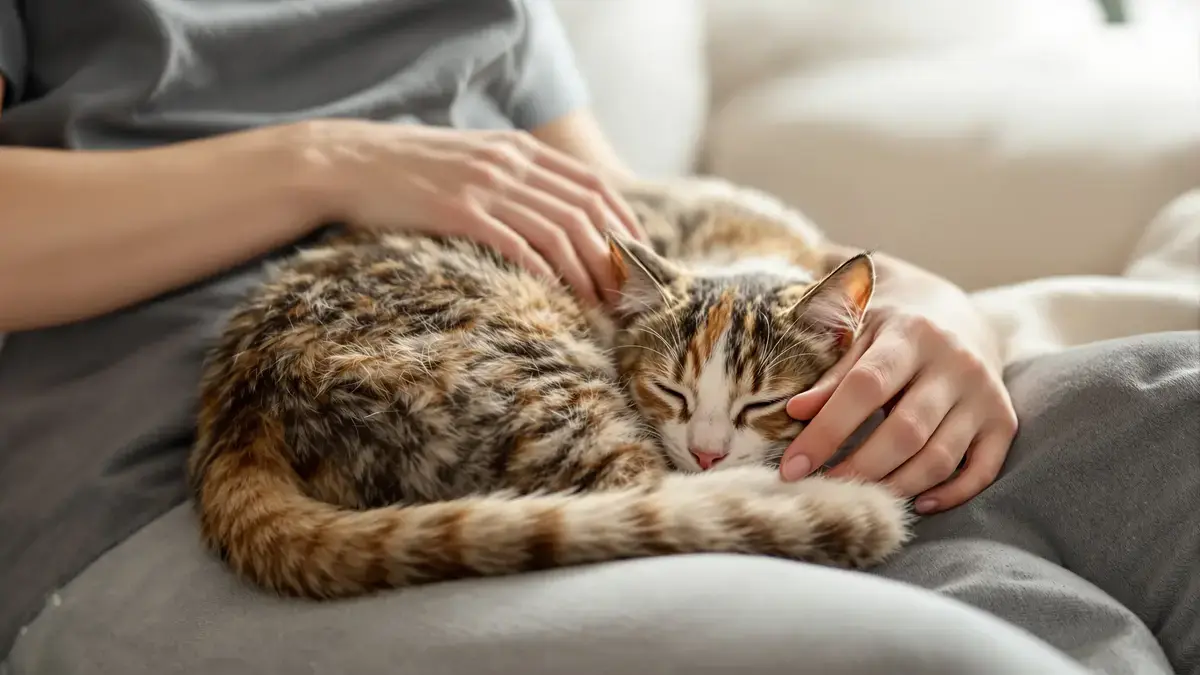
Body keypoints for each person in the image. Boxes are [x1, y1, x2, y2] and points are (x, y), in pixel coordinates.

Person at [0, 2, 1195, 674]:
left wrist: (923, 306)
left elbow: (632, 247)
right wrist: (330, 161)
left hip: (626, 408)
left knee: (1172, 424)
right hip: (191, 477)